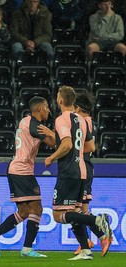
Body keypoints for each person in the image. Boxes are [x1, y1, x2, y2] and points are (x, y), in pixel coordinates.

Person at [43, 86, 112, 260]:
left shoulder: (61, 119)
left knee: (58, 215)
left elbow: (66, 144)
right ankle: (85, 250)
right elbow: (91, 147)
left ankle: (96, 220)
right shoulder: (81, 120)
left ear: (60, 100)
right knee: (75, 211)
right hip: (82, 170)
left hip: (68, 172)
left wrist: (51, 157)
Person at [0, 96, 56, 258]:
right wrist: (55, 133)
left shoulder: (25, 121)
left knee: (23, 212)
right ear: (39, 109)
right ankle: (27, 249)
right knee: (37, 208)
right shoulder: (35, 125)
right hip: (22, 170)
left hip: (16, 169)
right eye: (46, 108)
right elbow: (54, 143)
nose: (48, 111)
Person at [72, 92, 112, 257]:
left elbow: (89, 147)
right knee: (80, 209)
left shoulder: (82, 122)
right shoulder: (88, 121)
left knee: (74, 210)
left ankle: (98, 236)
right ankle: (91, 240)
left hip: (82, 168)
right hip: (84, 167)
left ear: (78, 108)